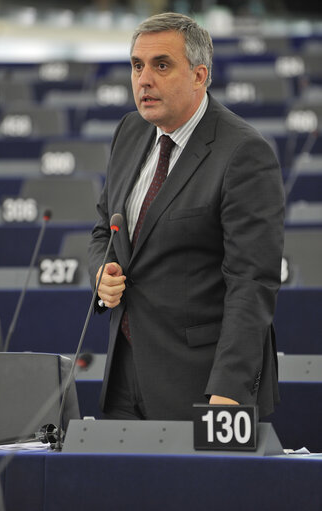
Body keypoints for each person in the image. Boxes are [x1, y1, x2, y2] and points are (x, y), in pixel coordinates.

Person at [88, 12, 285, 420]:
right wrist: (103, 270)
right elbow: (104, 229)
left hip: (201, 388)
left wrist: (228, 393)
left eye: (162, 65)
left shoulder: (245, 153)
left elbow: (252, 285)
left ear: (199, 75)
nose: (144, 79)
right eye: (137, 66)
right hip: (125, 379)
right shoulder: (129, 131)